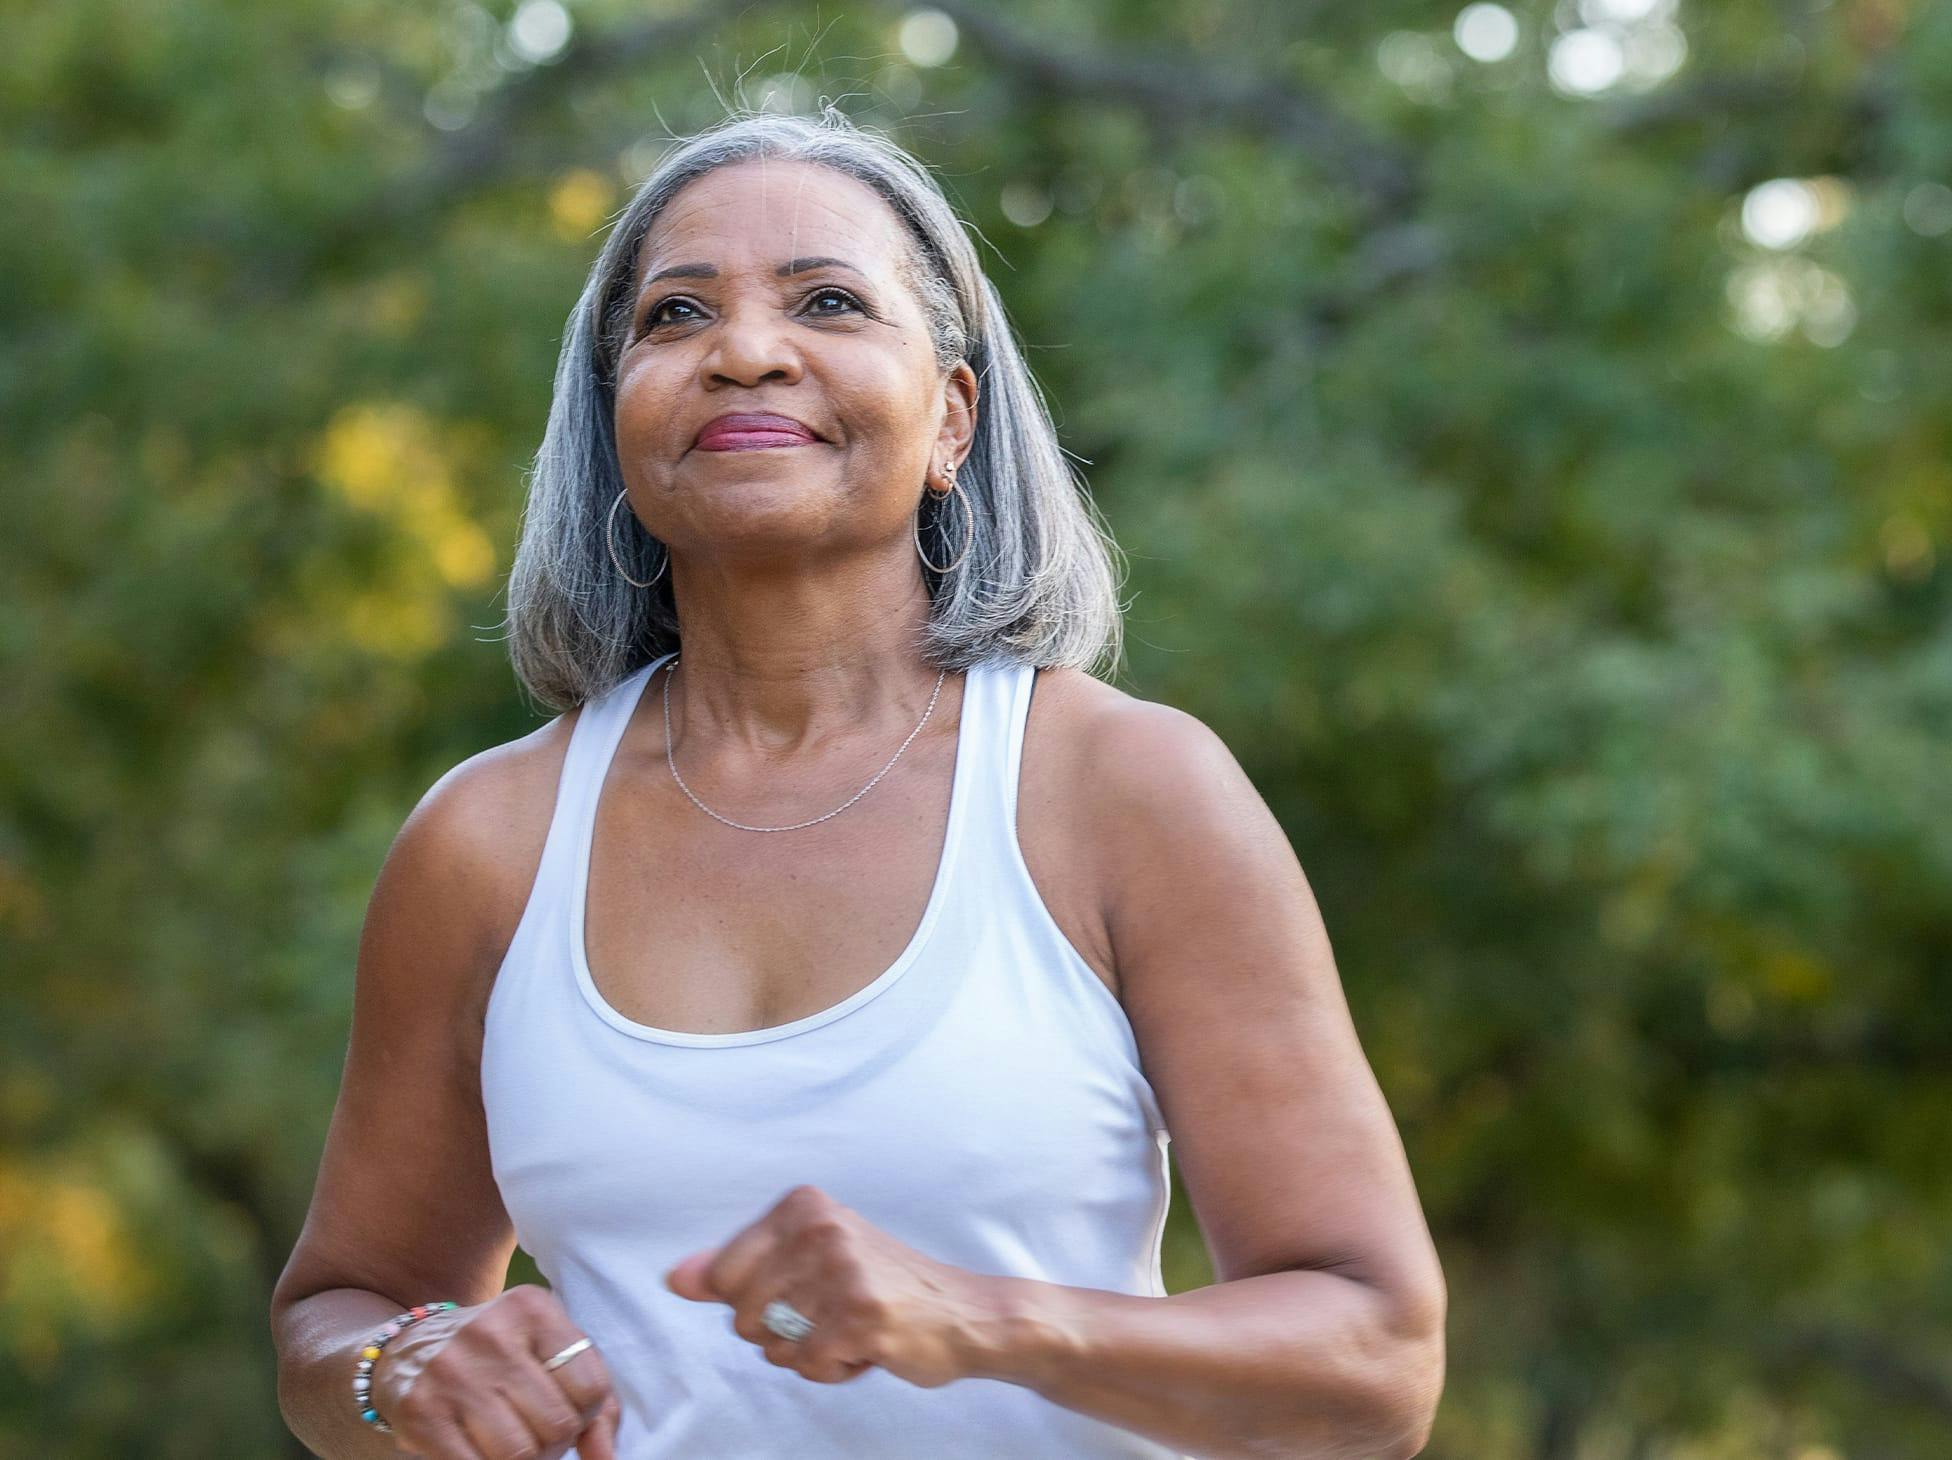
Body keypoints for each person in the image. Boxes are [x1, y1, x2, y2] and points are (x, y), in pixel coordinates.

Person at [269, 104, 1446, 1460]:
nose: (746, 352)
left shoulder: (1121, 790)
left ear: (951, 417)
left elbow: (1376, 1361)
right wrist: (403, 1369)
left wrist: (983, 1320)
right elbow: (333, 1316)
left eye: (828, 301)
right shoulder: (488, 842)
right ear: (615, 423)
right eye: (673, 318)